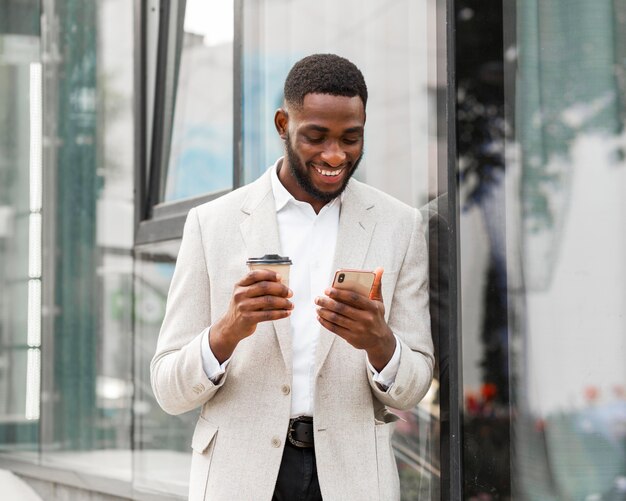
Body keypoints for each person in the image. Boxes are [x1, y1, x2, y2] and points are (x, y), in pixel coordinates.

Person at [151, 53, 434, 501]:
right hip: (240, 476)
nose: (335, 154)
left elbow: (414, 385)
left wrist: (379, 342)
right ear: (283, 124)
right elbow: (168, 388)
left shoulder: (400, 226)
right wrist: (227, 332)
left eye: (351, 138)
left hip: (355, 478)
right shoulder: (213, 224)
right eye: (316, 137)